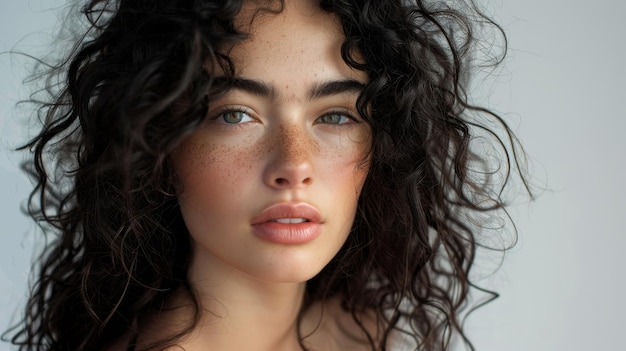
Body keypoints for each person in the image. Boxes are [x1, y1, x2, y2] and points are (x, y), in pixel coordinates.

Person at [5, 0, 530, 350]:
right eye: (235, 114)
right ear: (157, 145)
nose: (294, 166)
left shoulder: (361, 333)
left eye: (336, 116)